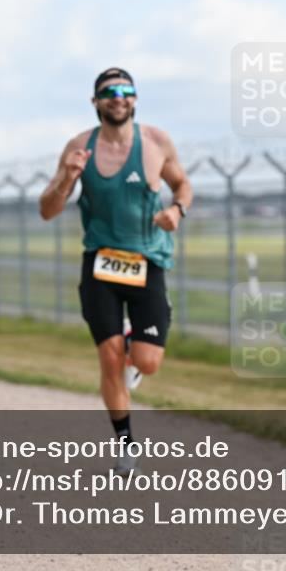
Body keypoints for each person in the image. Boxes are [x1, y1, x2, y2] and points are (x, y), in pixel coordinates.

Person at [39, 67, 193, 474]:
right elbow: (47, 210)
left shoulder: (157, 143)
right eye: (109, 92)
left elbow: (184, 185)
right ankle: (125, 447)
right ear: (96, 102)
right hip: (100, 262)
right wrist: (67, 179)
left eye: (125, 90)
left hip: (147, 261)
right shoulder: (78, 148)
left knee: (146, 362)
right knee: (109, 360)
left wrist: (177, 210)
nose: (118, 97)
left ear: (135, 99)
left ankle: (134, 342)